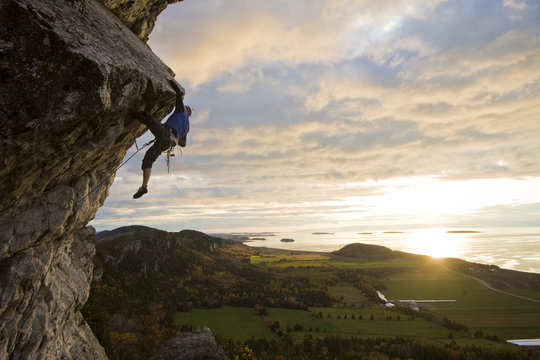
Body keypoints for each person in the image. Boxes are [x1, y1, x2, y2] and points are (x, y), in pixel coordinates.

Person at [133, 80, 192, 199]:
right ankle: (144, 186)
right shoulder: (187, 127)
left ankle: (125, 130)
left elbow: (178, 95)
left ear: (185, 110)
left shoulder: (181, 112)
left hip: (165, 133)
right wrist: (176, 136)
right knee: (149, 159)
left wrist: (170, 80)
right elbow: (183, 144)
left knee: (146, 116)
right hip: (167, 144)